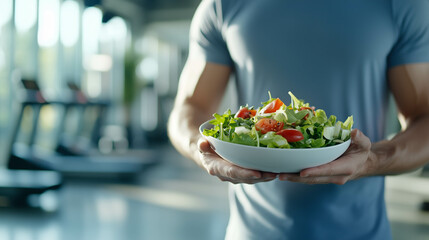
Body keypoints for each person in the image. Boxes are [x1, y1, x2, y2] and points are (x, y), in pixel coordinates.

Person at [168, 0, 429, 239]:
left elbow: (424, 118)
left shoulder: (400, 4)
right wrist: (200, 148)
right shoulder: (222, 5)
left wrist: (371, 161)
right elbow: (190, 107)